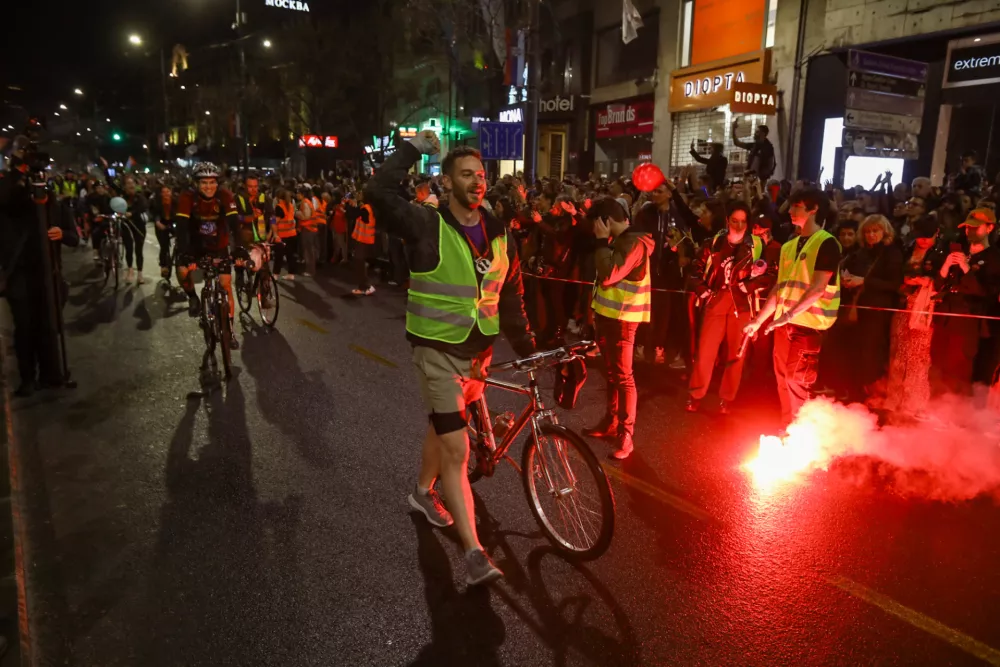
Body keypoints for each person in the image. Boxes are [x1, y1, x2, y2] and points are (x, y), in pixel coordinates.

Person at [364, 133, 535, 586]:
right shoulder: (424, 223)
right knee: (457, 448)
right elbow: (378, 192)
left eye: (481, 175)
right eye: (466, 175)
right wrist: (411, 149)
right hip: (436, 350)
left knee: (444, 428)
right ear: (446, 181)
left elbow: (511, 296)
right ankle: (474, 553)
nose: (478, 182)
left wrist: (530, 347)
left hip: (479, 354)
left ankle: (421, 492)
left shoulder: (500, 234)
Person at [744, 188, 841, 427]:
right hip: (784, 325)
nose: (790, 211)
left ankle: (805, 439)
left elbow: (819, 288)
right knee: (783, 380)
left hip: (808, 326)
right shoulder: (790, 246)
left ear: (813, 209)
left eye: (796, 206)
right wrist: (759, 320)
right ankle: (789, 433)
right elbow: (780, 288)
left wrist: (786, 316)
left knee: (797, 381)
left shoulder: (827, 243)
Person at [0, 138, 80, 396]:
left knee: (49, 325)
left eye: (44, 179)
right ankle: (27, 378)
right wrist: (18, 169)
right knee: (25, 328)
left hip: (49, 275)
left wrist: (61, 233)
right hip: (20, 274)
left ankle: (51, 373)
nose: (40, 185)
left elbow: (74, 237)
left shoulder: (55, 204)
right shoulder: (13, 206)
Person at [582, 197, 654, 459]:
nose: (594, 231)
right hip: (608, 316)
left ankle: (626, 435)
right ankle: (611, 423)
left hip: (623, 319)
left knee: (623, 377)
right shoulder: (623, 240)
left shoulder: (634, 242)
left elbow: (609, 273)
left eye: (596, 226)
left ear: (606, 222)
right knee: (613, 373)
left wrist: (601, 242)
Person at [685, 201, 767, 414]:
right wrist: (704, 290)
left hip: (742, 303)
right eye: (734, 221)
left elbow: (769, 274)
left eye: (743, 221)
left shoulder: (756, 245)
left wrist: (747, 285)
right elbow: (694, 271)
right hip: (717, 299)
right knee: (705, 351)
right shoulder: (712, 244)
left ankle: (727, 398)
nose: (739, 226)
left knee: (736, 355)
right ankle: (696, 394)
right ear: (726, 221)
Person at [931, 207, 1000, 394]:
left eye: (975, 227)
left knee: (959, 370)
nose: (969, 230)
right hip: (945, 319)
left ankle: (958, 416)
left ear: (989, 228)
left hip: (968, 322)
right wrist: (946, 266)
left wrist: (966, 269)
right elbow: (937, 285)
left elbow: (987, 292)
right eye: (967, 227)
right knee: (937, 367)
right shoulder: (958, 250)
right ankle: (935, 410)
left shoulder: (994, 258)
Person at [173, 162, 241, 350]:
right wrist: (186, 254)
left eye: (212, 182)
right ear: (196, 184)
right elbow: (182, 228)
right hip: (195, 245)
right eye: (204, 183)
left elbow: (235, 224)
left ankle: (229, 330)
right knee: (182, 271)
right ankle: (193, 297)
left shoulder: (225, 195)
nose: (208, 187)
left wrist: (239, 249)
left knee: (226, 285)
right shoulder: (188, 197)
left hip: (219, 245)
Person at [883, 216, 943, 419]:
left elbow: (944, 282)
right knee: (898, 353)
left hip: (924, 309)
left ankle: (914, 404)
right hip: (902, 306)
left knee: (917, 356)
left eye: (927, 237)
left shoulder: (940, 254)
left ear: (936, 233)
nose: (923, 241)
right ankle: (893, 400)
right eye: (920, 237)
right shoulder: (908, 249)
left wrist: (927, 281)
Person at [841, 214, 903, 398]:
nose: (871, 235)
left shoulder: (892, 253)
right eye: (867, 231)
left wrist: (864, 281)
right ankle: (858, 392)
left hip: (878, 310)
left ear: (884, 231)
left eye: (875, 231)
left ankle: (873, 394)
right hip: (859, 307)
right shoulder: (861, 253)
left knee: (873, 353)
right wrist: (849, 279)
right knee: (857, 351)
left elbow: (894, 284)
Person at [351, 190, 376, 296]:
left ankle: (366, 286)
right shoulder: (367, 208)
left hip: (363, 240)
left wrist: (353, 205)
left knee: (359, 263)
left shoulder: (366, 209)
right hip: (363, 240)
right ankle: (363, 286)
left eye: (360, 194)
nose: (358, 195)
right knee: (360, 263)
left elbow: (352, 214)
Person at [150, 184, 176, 282]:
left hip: (172, 223)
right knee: (164, 246)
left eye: (168, 192)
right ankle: (163, 266)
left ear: (171, 192)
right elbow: (155, 213)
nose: (166, 194)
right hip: (161, 224)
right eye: (164, 192)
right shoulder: (157, 202)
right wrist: (157, 222)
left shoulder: (175, 201)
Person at [272, 188, 298, 280]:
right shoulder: (290, 205)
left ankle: (275, 274)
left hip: (282, 236)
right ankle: (291, 274)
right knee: (290, 255)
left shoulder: (279, 206)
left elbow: (275, 221)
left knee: (278, 256)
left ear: (279, 197)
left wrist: (275, 234)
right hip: (292, 234)